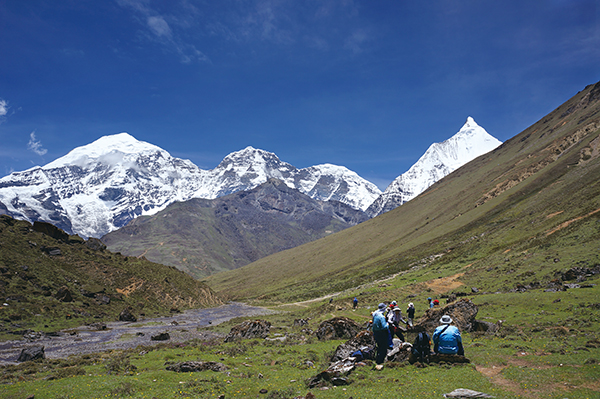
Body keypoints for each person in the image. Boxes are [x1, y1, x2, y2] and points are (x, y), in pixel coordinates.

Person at [371, 303, 390, 369]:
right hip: (381, 333)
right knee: (383, 347)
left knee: (378, 346)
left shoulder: (375, 314)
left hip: (375, 333)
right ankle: (380, 361)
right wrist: (388, 324)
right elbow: (384, 327)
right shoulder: (381, 317)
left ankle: (377, 359)